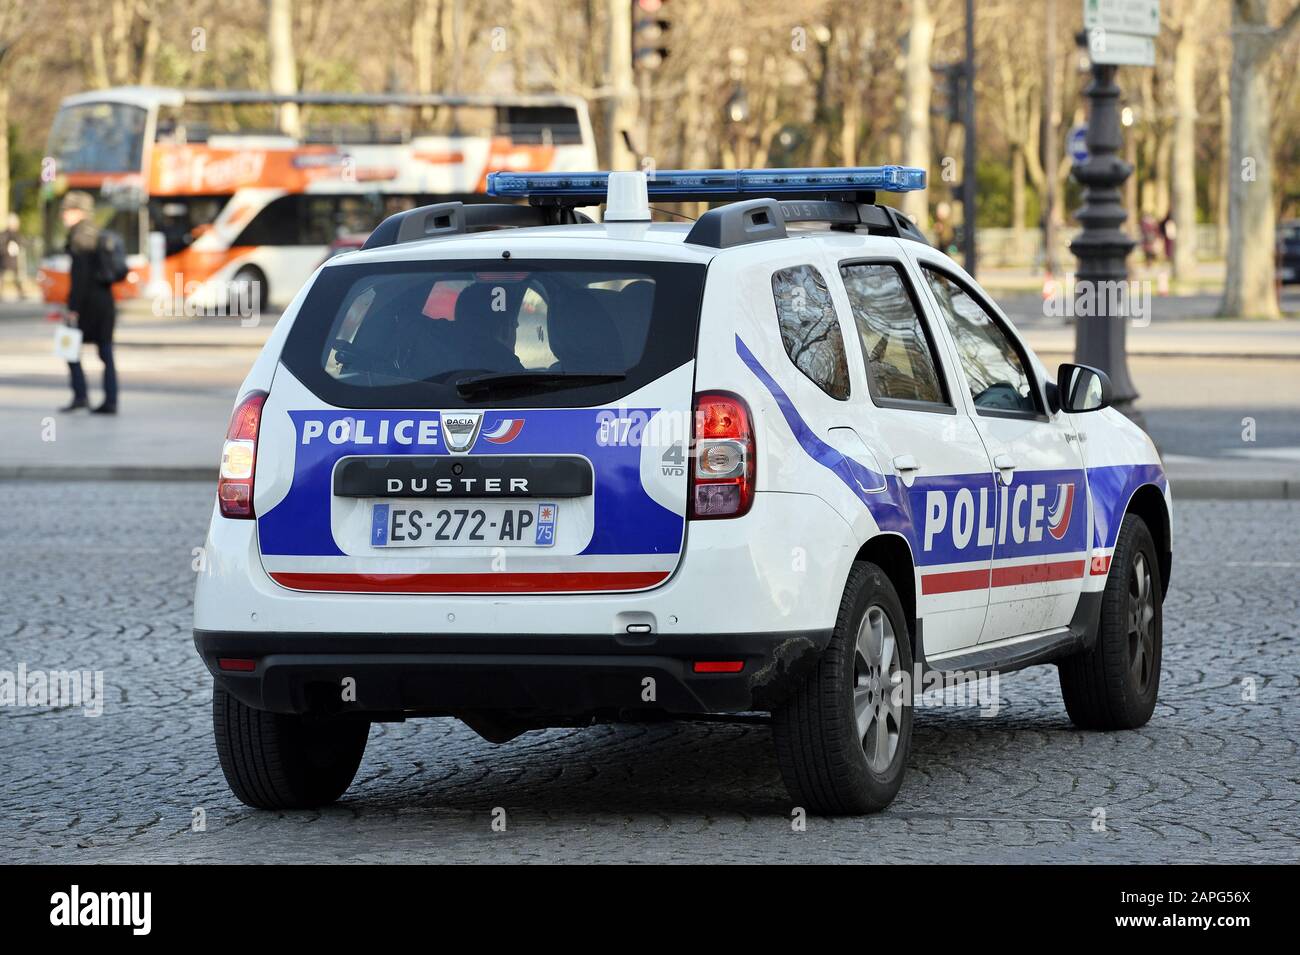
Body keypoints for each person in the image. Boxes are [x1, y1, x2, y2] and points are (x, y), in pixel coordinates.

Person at [59, 191, 120, 415]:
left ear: (78, 212)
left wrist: (73, 308)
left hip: (88, 304)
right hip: (105, 301)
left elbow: (80, 277)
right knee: (106, 352)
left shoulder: (79, 237)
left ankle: (80, 395)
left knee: (70, 349)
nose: (62, 215)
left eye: (66, 210)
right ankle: (111, 400)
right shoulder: (97, 232)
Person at [1, 213, 26, 299]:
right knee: (2, 276)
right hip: (5, 259)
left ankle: (21, 292)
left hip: (13, 259)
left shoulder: (16, 234)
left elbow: (21, 242)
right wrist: (7, 249)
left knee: (17, 276)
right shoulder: (5, 234)